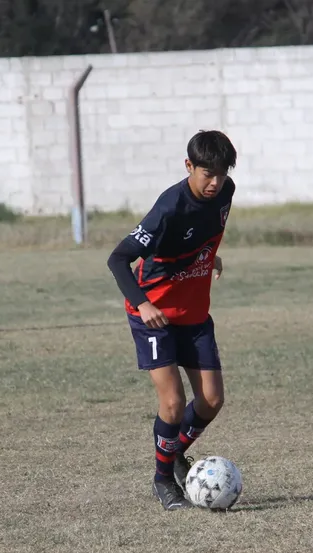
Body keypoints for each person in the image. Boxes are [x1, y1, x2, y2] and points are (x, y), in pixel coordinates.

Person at [107, 130, 237, 511]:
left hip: (194, 316)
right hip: (156, 318)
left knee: (211, 400)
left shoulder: (226, 193)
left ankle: (174, 455)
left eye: (221, 174)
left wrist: (207, 255)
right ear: (188, 167)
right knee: (174, 404)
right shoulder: (169, 208)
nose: (214, 183)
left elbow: (204, 233)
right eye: (206, 174)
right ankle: (163, 480)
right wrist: (143, 304)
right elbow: (118, 259)